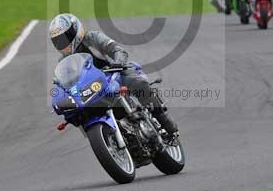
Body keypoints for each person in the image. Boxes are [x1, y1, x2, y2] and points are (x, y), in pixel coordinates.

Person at [49, 14, 178, 135]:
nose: (63, 44)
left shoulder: (93, 38)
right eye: (58, 41)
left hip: (114, 75)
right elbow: (62, 83)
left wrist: (117, 63)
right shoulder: (64, 62)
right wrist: (61, 98)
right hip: (91, 90)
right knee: (79, 114)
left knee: (138, 83)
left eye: (66, 37)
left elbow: (118, 50)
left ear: (76, 31)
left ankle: (162, 117)